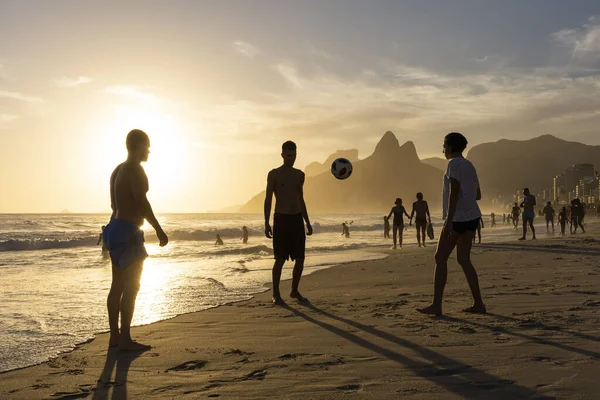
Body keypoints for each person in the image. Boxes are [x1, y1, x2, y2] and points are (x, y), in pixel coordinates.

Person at [103, 129, 168, 351]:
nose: (149, 151)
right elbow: (142, 202)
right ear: (138, 146)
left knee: (116, 286)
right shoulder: (136, 170)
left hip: (113, 230)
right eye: (147, 146)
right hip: (129, 232)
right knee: (132, 287)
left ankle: (114, 337)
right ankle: (126, 339)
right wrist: (159, 229)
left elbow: (114, 205)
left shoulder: (117, 170)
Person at [417, 132, 485, 316]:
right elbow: (478, 195)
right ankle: (478, 303)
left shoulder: (453, 164)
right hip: (472, 217)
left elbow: (453, 192)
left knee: (440, 258)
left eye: (444, 145)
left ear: (450, 147)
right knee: (464, 259)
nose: (442, 149)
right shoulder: (470, 165)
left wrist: (449, 221)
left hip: (458, 219)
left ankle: (437, 305)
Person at [264, 140, 312, 305]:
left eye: (294, 155)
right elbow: (268, 199)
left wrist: (307, 221)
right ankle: (276, 294)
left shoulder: (300, 175)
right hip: (281, 219)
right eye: (288, 155)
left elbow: (301, 199)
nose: (291, 158)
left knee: (300, 258)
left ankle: (294, 290)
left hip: (296, 219)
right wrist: (266, 222)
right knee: (280, 259)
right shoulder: (274, 174)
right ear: (283, 154)